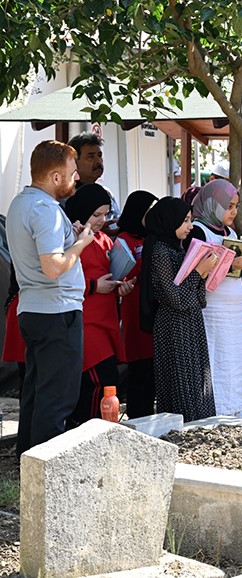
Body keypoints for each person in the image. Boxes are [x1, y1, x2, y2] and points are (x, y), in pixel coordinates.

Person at [8, 141, 95, 454]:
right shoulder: (46, 210)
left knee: (36, 392)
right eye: (72, 175)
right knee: (57, 397)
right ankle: (46, 473)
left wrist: (68, 234)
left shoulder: (21, 202)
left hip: (33, 309)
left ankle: (28, 461)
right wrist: (81, 243)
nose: (75, 180)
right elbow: (53, 267)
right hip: (57, 311)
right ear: (56, 177)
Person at [140, 198, 218, 421]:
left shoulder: (178, 249)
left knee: (197, 379)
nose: (190, 226)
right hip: (173, 325)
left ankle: (200, 425)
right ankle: (183, 430)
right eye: (185, 221)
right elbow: (176, 299)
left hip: (191, 321)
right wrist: (198, 272)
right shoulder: (161, 251)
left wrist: (204, 273)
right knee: (182, 381)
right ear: (169, 220)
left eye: (191, 220)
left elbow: (198, 299)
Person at [64, 184, 133, 425]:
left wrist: (120, 285)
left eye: (106, 214)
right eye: (96, 215)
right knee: (95, 383)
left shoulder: (104, 239)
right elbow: (58, 275)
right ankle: (84, 434)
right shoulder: (71, 239)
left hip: (106, 321)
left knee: (107, 384)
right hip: (86, 323)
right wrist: (94, 286)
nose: (102, 220)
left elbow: (109, 273)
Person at [190, 179, 242, 418]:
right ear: (213, 204)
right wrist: (232, 263)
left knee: (237, 361)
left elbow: (232, 265)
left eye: (236, 206)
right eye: (229, 206)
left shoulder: (230, 232)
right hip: (213, 310)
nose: (234, 212)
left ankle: (240, 410)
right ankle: (218, 411)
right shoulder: (199, 229)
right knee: (217, 360)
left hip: (236, 311)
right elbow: (196, 271)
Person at [114, 189, 158, 418]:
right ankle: (136, 415)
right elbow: (125, 271)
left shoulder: (150, 237)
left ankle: (149, 414)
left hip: (152, 308)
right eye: (148, 211)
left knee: (151, 367)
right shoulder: (124, 239)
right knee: (138, 368)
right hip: (134, 309)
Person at [67, 133, 121, 228]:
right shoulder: (66, 195)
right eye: (90, 157)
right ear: (74, 162)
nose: (98, 161)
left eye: (99, 156)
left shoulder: (106, 193)